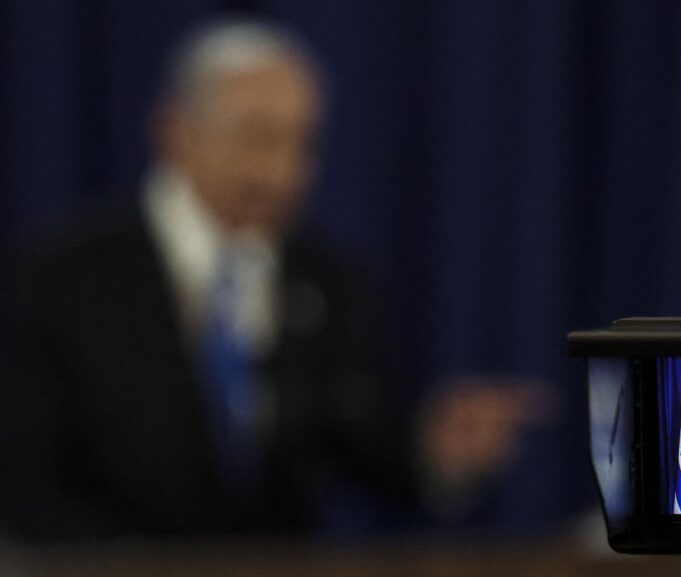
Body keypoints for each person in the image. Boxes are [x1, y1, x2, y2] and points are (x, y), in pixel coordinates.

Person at [0, 17, 540, 539]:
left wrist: (434, 453)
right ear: (176, 131)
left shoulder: (329, 283)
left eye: (300, 143)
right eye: (256, 137)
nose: (279, 172)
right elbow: (24, 477)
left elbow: (365, 447)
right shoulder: (61, 277)